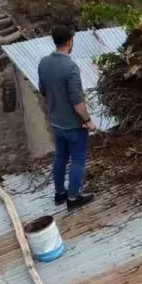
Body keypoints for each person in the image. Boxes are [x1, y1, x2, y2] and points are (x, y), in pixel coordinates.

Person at [38, 25, 96, 210]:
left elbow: (43, 92)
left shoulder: (43, 63)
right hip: (73, 125)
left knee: (60, 158)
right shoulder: (71, 67)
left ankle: (59, 194)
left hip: (56, 122)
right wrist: (88, 121)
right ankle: (73, 198)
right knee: (78, 160)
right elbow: (77, 101)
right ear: (70, 41)